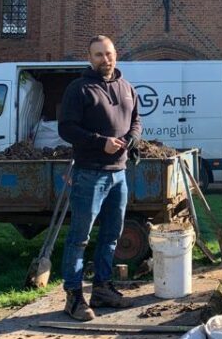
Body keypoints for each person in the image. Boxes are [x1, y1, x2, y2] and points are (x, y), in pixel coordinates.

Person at [58, 35, 142, 321]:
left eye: (108, 54)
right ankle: (74, 297)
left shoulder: (127, 87)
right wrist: (99, 142)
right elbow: (66, 129)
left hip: (119, 174)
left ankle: (103, 288)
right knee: (79, 238)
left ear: (115, 54)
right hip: (89, 174)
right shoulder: (78, 89)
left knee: (111, 235)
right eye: (98, 55)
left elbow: (137, 122)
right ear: (89, 58)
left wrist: (130, 140)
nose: (105, 60)